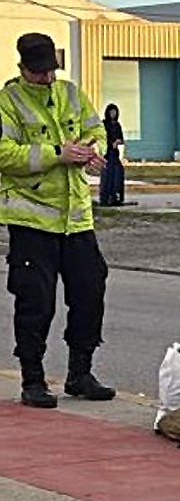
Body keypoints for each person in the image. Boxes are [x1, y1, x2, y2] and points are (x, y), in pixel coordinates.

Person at [0, 32, 116, 409]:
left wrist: (90, 148)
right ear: (22, 69)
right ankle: (33, 379)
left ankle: (80, 373)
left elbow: (94, 126)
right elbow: (6, 155)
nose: (47, 78)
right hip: (32, 219)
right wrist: (57, 153)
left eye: (51, 70)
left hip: (77, 219)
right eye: (39, 73)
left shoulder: (70, 92)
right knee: (36, 302)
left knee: (90, 292)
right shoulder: (8, 102)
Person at [98, 104, 126, 207]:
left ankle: (116, 197)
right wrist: (111, 143)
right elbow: (102, 137)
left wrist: (119, 141)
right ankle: (106, 198)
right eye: (111, 112)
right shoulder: (104, 124)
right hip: (107, 153)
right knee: (107, 176)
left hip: (115, 154)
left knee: (118, 174)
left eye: (114, 112)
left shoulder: (117, 125)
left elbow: (121, 138)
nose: (113, 114)